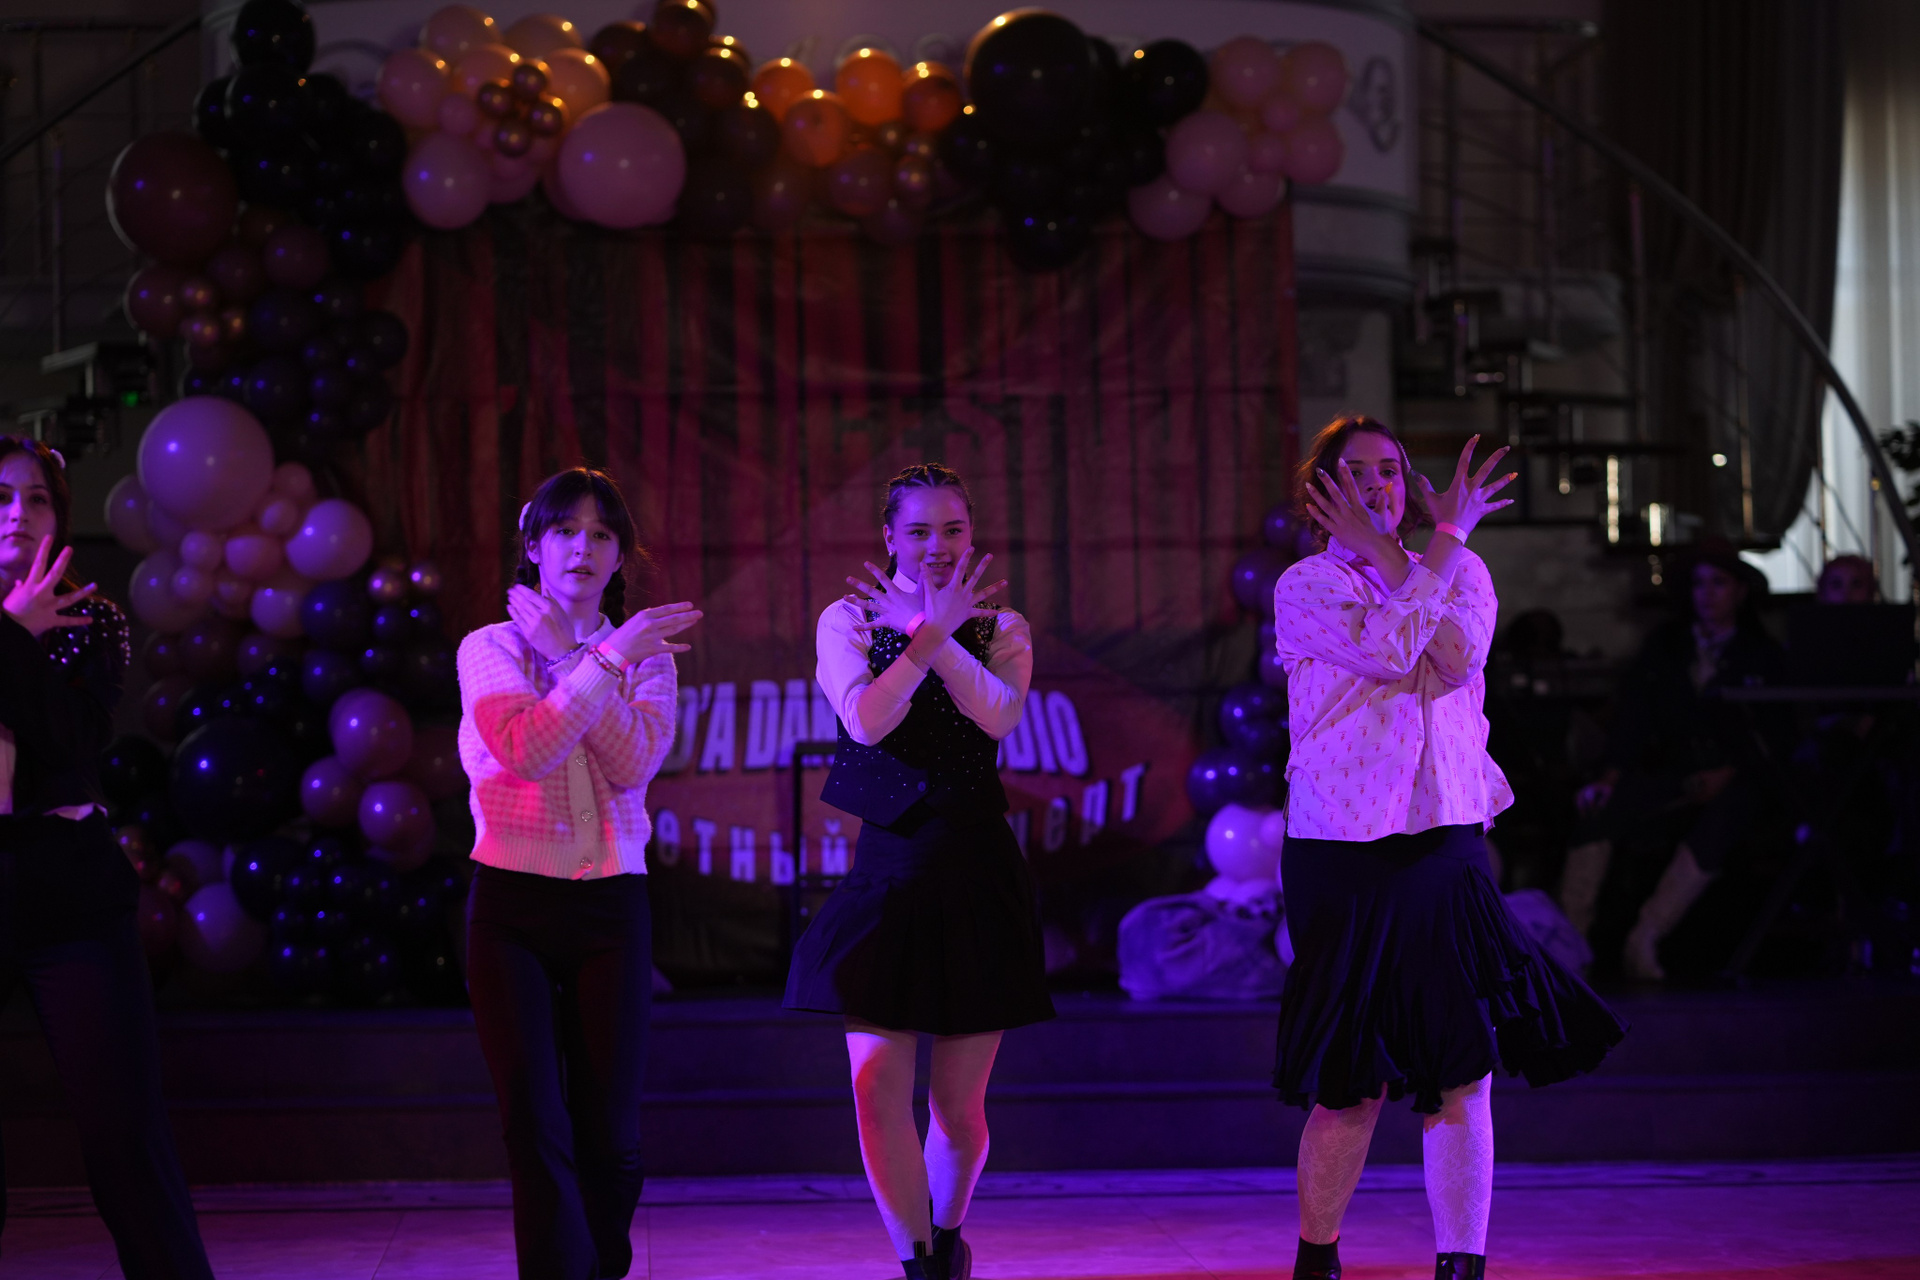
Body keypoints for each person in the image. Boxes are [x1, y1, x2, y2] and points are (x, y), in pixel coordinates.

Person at [1270, 417, 1626, 1280]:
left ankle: (1461, 1266)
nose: (1377, 487)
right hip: (1345, 849)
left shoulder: (1461, 567)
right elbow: (1391, 648)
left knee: (1462, 1066)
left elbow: (1460, 657)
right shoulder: (1307, 584)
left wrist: (1431, 547)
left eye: (1390, 471)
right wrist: (1406, 554)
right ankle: (1318, 1259)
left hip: (1446, 837)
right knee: (1351, 1081)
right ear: (1321, 493)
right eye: (1356, 473)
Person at [785, 463, 1052, 1280]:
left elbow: (998, 716)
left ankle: (947, 1233)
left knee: (957, 1112)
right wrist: (922, 637)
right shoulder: (848, 618)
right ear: (889, 538)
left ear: (972, 535)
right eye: (920, 531)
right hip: (891, 872)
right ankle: (920, 1266)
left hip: (975, 871)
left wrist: (939, 635)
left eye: (953, 529)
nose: (938, 546)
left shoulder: (1003, 625)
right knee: (874, 1089)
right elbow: (866, 721)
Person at [456, 467, 701, 1280]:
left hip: (611, 909)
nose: (582, 549)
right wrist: (592, 661)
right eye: (565, 531)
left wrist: (576, 655)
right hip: (512, 908)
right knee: (536, 1126)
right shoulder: (489, 647)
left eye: (602, 535)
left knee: (612, 1138)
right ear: (534, 545)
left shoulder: (647, 657)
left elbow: (631, 766)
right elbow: (526, 750)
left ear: (621, 556)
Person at [0, 437, 215, 1279]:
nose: (18, 513)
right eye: (1, 497)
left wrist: (17, 640)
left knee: (124, 1133)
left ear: (60, 517)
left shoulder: (93, 618)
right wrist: (10, 633)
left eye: (37, 498)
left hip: (68, 883)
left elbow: (70, 743)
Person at [1564, 542, 1789, 981]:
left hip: (1739, 778)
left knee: (1729, 813)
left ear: (1740, 591)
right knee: (1598, 809)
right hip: (1673, 772)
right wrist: (1609, 776)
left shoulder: (1761, 654)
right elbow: (1634, 718)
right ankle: (1569, 942)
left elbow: (1776, 733)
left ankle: (1647, 935)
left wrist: (1730, 771)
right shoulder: (1666, 647)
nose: (1707, 594)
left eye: (1719, 583)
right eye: (1699, 584)